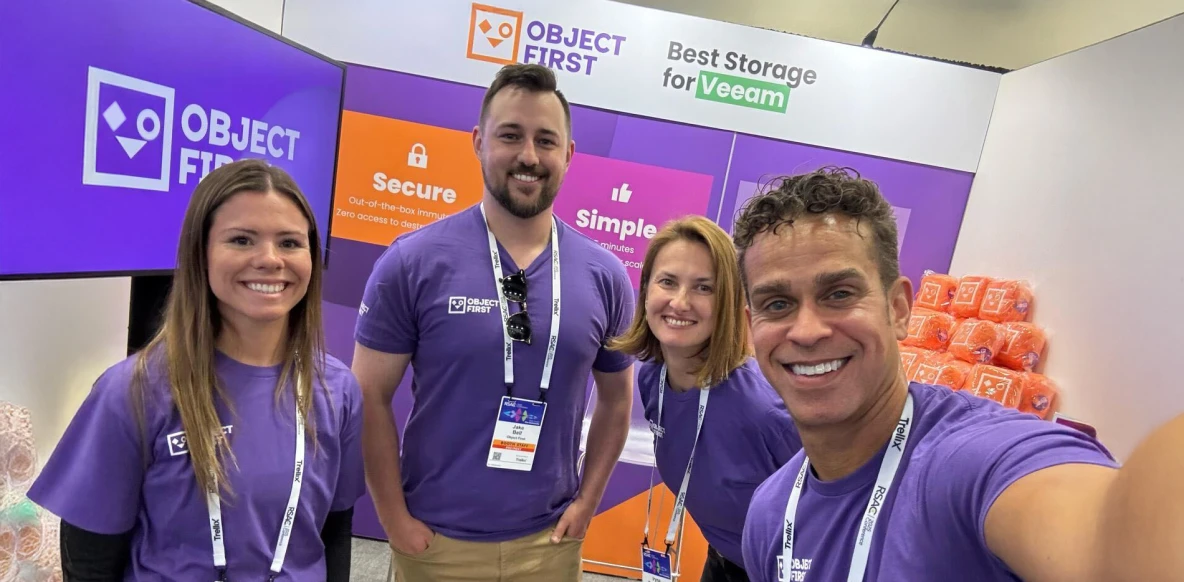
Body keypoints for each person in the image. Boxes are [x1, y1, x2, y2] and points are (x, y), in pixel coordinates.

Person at [734, 166, 1184, 581]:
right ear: (753, 325)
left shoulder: (972, 461)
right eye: (777, 304)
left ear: (898, 310)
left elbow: (1109, 539)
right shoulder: (771, 511)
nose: (808, 331)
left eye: (839, 293)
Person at [352, 63, 635, 581]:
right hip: (436, 543)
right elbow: (368, 396)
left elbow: (617, 400)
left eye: (546, 140)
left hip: (549, 543)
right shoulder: (412, 262)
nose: (529, 156)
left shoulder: (606, 274)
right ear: (479, 142)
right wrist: (395, 523)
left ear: (568, 155)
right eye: (510, 135)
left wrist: (588, 502)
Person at [27, 159, 365, 581]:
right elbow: (89, 561)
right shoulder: (132, 391)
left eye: (290, 242)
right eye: (241, 240)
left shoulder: (337, 390)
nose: (270, 259)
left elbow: (334, 530)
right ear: (200, 252)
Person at [608, 216, 801, 582]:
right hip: (724, 558)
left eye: (703, 288)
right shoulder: (654, 377)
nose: (679, 302)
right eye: (667, 282)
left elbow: (833, 512)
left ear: (727, 301)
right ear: (647, 288)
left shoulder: (764, 409)